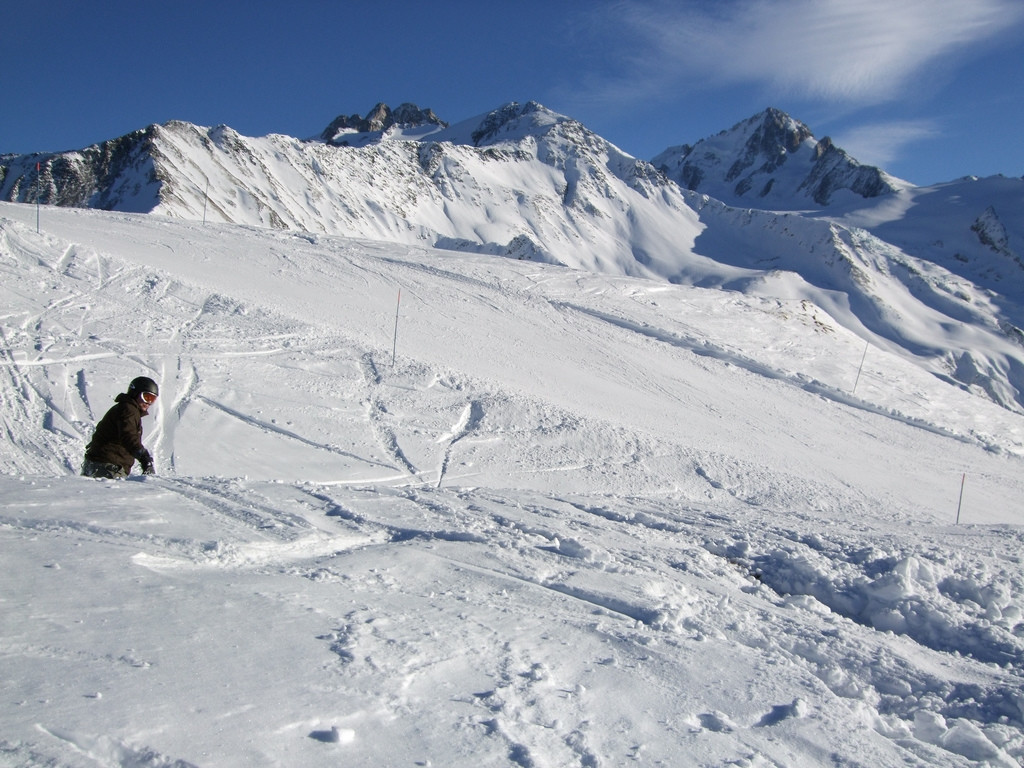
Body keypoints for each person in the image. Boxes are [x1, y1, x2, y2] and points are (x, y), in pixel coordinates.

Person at [81, 376, 159, 479]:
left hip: (98, 464)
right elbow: (128, 436)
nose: (148, 402)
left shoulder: (123, 408)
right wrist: (144, 458)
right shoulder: (128, 410)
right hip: (107, 467)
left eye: (152, 399)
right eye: (147, 397)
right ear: (135, 393)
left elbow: (103, 429)